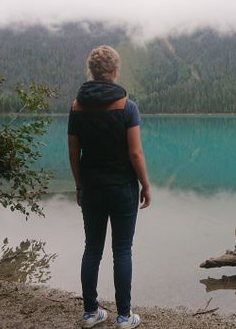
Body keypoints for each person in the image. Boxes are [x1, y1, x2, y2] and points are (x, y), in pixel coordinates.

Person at [68, 45, 151, 329]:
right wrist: (146, 185)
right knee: (122, 250)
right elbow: (135, 154)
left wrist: (79, 186)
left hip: (91, 187)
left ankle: (91, 313)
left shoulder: (77, 107)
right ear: (115, 72)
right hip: (122, 189)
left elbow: (73, 153)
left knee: (92, 249)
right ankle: (125, 317)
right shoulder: (127, 107)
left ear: (92, 72)